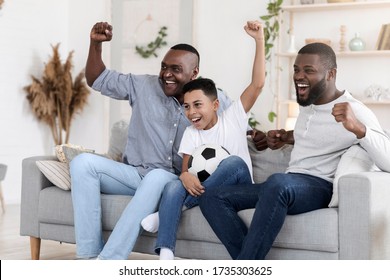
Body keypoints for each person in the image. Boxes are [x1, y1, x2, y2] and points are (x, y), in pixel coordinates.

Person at [198, 42, 390, 260]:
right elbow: (315, 134)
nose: (299, 76)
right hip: (288, 184)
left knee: (278, 183)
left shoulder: (353, 110)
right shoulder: (308, 104)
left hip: (319, 186)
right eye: (296, 70)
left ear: (331, 74)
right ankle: (250, 263)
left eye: (309, 71)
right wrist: (286, 137)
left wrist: (358, 128)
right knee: (212, 197)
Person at [69, 22, 234, 260]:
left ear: (194, 73)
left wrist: (262, 136)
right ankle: (88, 255)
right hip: (135, 175)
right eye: (164, 67)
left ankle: (109, 261)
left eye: (176, 69)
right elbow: (97, 79)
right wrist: (96, 44)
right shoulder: (142, 86)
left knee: (157, 176)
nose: (167, 74)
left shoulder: (212, 98)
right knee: (82, 163)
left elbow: (240, 129)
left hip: (174, 181)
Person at [141, 20, 265, 260]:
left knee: (232, 162)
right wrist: (185, 175)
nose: (191, 112)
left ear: (215, 104)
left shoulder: (234, 118)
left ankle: (177, 208)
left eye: (198, 105)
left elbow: (257, 84)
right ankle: (166, 254)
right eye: (186, 107)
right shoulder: (191, 133)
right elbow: (186, 167)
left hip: (239, 187)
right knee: (174, 185)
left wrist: (259, 40)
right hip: (208, 195)